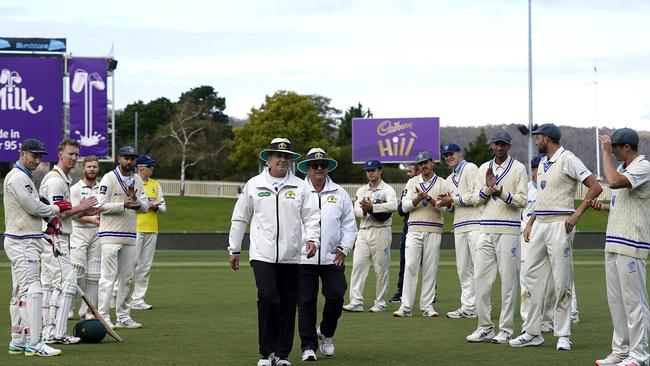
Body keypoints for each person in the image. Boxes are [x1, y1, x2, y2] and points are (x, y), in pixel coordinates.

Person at [228, 138, 320, 366]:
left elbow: (311, 216)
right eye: (278, 156)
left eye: (287, 157)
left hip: (291, 255)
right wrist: (235, 248)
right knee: (268, 297)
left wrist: (312, 239)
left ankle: (282, 355)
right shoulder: (254, 184)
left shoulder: (300, 186)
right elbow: (240, 218)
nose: (282, 160)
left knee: (288, 303)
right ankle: (265, 353)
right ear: (268, 159)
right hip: (262, 254)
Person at [510, 123, 602, 350]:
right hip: (540, 224)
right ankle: (532, 332)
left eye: (538, 137)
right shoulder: (542, 163)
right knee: (530, 277)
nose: (536, 141)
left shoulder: (568, 159)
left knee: (562, 279)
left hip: (561, 224)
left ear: (548, 138)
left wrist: (576, 215)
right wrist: (531, 221)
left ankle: (563, 334)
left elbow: (595, 186)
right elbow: (541, 199)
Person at [4, 138, 73, 356]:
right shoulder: (17, 177)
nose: (37, 160)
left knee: (20, 291)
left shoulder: (24, 176)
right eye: (33, 155)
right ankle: (34, 343)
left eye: (40, 156)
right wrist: (54, 209)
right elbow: (33, 207)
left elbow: (33, 208)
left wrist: (49, 215)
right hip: (23, 241)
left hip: (26, 238)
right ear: (22, 153)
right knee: (33, 290)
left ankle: (18, 339)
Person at [591, 128, 650, 366]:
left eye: (614, 148)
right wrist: (604, 208)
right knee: (616, 302)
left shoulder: (644, 167)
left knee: (634, 302)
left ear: (627, 147)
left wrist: (604, 155)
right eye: (611, 148)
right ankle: (622, 350)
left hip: (632, 243)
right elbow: (622, 202)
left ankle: (640, 354)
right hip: (614, 241)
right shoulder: (626, 169)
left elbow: (614, 182)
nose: (612, 151)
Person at [462, 132, 527, 344]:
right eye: (496, 144)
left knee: (508, 283)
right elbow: (474, 200)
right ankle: (484, 327)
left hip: (509, 231)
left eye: (503, 144)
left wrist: (501, 193)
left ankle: (506, 329)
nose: (499, 148)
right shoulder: (483, 169)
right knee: (480, 280)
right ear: (492, 146)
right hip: (485, 230)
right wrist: (487, 190)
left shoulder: (518, 169)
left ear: (509, 146)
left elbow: (523, 200)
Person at [296, 148, 357, 362]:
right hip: (304, 258)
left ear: (327, 167)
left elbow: (350, 226)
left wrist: (344, 248)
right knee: (305, 302)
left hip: (333, 257)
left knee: (336, 296)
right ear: (308, 168)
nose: (319, 169)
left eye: (323, 165)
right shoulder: (298, 191)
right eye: (315, 165)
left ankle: (326, 333)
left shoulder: (339, 193)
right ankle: (308, 346)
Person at [39, 138, 100, 344]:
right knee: (66, 283)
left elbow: (65, 213)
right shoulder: (56, 180)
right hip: (55, 238)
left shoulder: (63, 179)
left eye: (76, 154)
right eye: (70, 154)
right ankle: (56, 333)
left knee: (50, 286)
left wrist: (83, 209)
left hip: (54, 237)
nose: (74, 158)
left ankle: (48, 332)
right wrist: (82, 207)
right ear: (60, 154)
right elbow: (58, 214)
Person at [96, 146, 148, 329]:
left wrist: (136, 201)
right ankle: (103, 316)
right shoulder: (109, 178)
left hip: (129, 235)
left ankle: (123, 316)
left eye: (132, 159)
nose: (129, 162)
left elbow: (145, 207)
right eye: (126, 158)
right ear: (119, 159)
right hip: (110, 235)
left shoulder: (138, 180)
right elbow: (99, 206)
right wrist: (123, 205)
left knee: (127, 278)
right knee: (108, 278)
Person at [392, 151, 446, 318]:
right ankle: (405, 307)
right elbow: (404, 207)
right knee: (410, 266)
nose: (423, 166)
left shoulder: (442, 183)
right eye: (420, 163)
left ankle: (427, 307)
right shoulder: (411, 182)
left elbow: (445, 208)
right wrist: (417, 199)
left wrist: (429, 199)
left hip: (434, 228)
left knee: (430, 268)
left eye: (426, 162)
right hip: (414, 229)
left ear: (432, 163)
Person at [343, 160, 397, 313]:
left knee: (381, 268)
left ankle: (380, 303)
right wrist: (366, 210)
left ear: (380, 171)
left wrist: (373, 208)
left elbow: (393, 205)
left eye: (373, 170)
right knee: (358, 265)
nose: (370, 173)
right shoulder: (361, 191)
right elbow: (357, 211)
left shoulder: (388, 189)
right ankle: (356, 301)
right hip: (364, 230)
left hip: (381, 231)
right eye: (368, 170)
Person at [438, 143, 480, 319]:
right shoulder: (448, 179)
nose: (448, 157)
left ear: (460, 154)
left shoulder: (470, 168)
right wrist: (446, 204)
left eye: (451, 154)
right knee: (463, 268)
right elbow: (452, 207)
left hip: (476, 223)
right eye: (446, 155)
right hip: (459, 225)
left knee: (479, 268)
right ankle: (468, 307)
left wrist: (453, 199)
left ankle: (482, 307)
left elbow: (476, 196)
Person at [132, 154, 166, 310]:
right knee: (130, 265)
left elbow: (163, 208)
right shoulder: (132, 182)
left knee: (145, 267)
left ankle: (138, 299)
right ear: (141, 167)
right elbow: (132, 205)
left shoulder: (155, 185)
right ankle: (117, 296)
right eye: (149, 166)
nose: (152, 169)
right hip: (135, 229)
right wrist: (148, 205)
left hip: (152, 229)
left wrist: (156, 206)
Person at [70, 156, 101, 320]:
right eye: (89, 166)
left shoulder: (102, 188)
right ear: (84, 168)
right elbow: (73, 214)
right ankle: (69, 307)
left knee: (94, 274)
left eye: (95, 167)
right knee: (76, 272)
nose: (92, 169)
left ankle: (88, 310)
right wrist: (92, 220)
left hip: (96, 234)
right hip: (79, 232)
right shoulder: (75, 189)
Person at [389, 163, 420, 304]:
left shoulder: (430, 185)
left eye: (410, 171)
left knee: (426, 263)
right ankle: (401, 291)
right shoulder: (408, 187)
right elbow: (401, 210)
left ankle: (432, 293)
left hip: (424, 227)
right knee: (404, 262)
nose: (408, 174)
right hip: (408, 229)